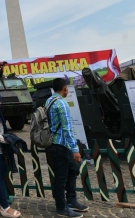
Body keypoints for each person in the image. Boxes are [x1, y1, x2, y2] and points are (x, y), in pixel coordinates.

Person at [46, 78, 88, 217]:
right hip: (61, 145)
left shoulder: (49, 100)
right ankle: (61, 207)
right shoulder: (61, 103)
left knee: (73, 170)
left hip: (58, 144)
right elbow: (67, 128)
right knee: (61, 177)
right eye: (67, 88)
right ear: (64, 88)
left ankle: (71, 200)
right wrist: (75, 149)